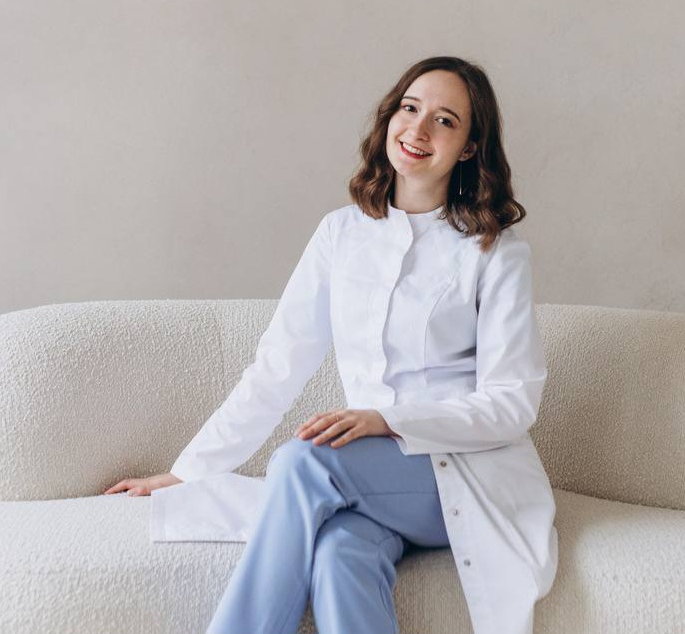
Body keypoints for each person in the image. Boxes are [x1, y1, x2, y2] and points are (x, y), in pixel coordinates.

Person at [105, 55, 557, 634]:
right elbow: (278, 365)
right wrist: (188, 473)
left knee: (304, 459)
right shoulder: (339, 234)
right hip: (371, 478)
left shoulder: (496, 252)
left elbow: (512, 402)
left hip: (465, 473)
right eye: (410, 108)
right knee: (340, 551)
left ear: (470, 146)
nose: (418, 129)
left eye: (445, 120)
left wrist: (387, 421)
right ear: (390, 117)